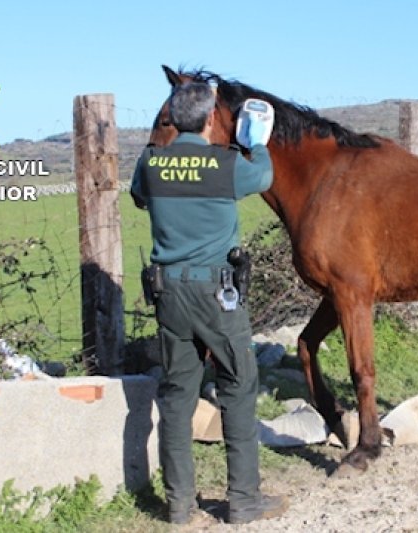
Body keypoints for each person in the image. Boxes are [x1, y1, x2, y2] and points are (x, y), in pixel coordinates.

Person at [131, 81, 288, 525]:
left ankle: (179, 506)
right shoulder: (227, 165)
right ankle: (242, 501)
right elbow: (264, 175)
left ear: (173, 119)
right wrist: (254, 142)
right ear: (210, 120)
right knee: (238, 386)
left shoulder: (150, 163)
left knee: (177, 396)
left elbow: (140, 196)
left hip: (169, 294)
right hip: (217, 295)